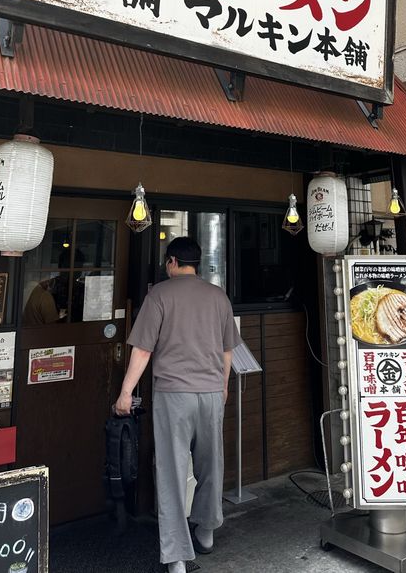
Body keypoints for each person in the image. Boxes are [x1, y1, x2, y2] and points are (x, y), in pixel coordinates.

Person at [115, 236, 241, 573]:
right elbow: (228, 350)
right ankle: (208, 529)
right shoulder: (218, 296)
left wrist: (126, 392)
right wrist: (224, 387)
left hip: (174, 394)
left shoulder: (159, 296)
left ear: (171, 261)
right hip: (212, 391)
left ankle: (176, 557)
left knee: (171, 472)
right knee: (211, 463)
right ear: (196, 264)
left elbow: (142, 350)